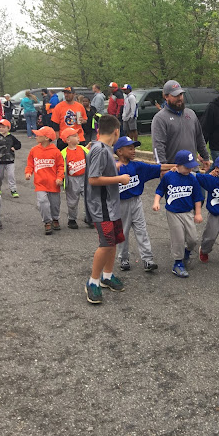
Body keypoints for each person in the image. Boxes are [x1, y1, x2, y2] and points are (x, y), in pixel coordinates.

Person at [84, 114, 130, 305]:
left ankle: (107, 276)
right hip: (101, 206)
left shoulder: (104, 149)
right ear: (116, 131)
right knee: (106, 243)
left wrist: (114, 167)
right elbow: (93, 179)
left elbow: (101, 170)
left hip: (111, 205)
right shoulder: (100, 150)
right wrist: (119, 178)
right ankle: (92, 282)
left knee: (114, 241)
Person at [116, 137, 175, 273]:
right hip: (120, 204)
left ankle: (148, 260)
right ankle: (123, 259)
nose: (133, 151)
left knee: (141, 230)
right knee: (123, 232)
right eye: (130, 148)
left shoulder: (138, 166)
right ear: (119, 151)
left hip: (136, 202)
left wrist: (176, 166)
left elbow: (158, 167)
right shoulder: (114, 168)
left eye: (134, 148)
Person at [153, 150, 204, 278]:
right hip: (173, 212)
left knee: (193, 239)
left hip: (188, 212)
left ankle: (186, 253)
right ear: (177, 165)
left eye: (191, 166)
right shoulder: (169, 176)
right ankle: (177, 263)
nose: (189, 169)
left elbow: (198, 198)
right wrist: (156, 202)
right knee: (178, 239)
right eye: (187, 167)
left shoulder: (192, 178)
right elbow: (160, 190)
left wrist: (198, 213)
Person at [151, 80, 210, 170]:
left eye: (181, 94)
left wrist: (205, 157)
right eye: (175, 95)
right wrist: (163, 167)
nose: (179, 98)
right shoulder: (160, 118)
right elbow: (158, 146)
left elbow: (199, 138)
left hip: (193, 169)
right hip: (174, 171)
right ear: (166, 97)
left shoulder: (191, 114)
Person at [24, 126, 65, 235]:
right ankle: (47, 222)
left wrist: (59, 177)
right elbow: (30, 164)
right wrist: (28, 172)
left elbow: (61, 167)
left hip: (53, 183)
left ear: (46, 138)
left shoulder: (56, 152)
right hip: (40, 183)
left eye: (39, 135)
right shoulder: (34, 150)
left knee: (55, 204)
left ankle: (55, 218)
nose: (36, 136)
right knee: (42, 202)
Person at [60, 127, 88, 229]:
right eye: (75, 136)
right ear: (68, 140)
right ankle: (72, 219)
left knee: (89, 198)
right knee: (72, 201)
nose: (78, 137)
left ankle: (89, 217)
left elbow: (90, 156)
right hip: (72, 180)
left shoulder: (82, 148)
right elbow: (60, 167)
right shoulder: (64, 153)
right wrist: (61, 178)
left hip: (84, 178)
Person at [0, 119, 21, 198]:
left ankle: (13, 190)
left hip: (10, 160)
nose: (1, 129)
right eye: (0, 127)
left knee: (11, 175)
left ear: (8, 128)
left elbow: (18, 144)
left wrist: (14, 147)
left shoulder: (11, 137)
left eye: (3, 127)